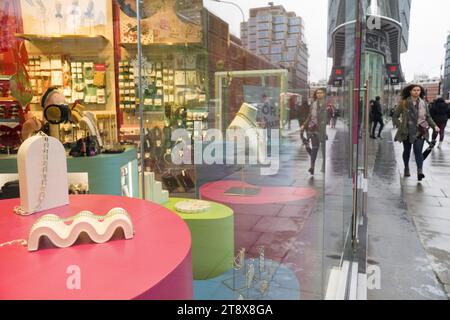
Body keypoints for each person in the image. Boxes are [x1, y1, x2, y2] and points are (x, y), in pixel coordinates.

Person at [393, 84, 440, 181]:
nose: (416, 92)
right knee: (407, 151)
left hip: (420, 131)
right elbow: (395, 116)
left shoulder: (424, 103)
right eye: (414, 90)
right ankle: (406, 167)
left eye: (418, 90)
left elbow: (428, 117)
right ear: (410, 91)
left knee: (418, 151)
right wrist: (401, 126)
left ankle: (420, 171)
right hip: (407, 132)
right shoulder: (404, 102)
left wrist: (434, 126)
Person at [300, 88, 327, 175]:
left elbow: (328, 116)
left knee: (323, 149)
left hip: (322, 129)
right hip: (312, 128)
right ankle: (312, 167)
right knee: (314, 148)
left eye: (321, 93)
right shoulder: (313, 104)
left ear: (324, 94)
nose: (319, 94)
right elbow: (309, 116)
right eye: (318, 93)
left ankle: (323, 165)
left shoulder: (326, 104)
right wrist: (304, 125)